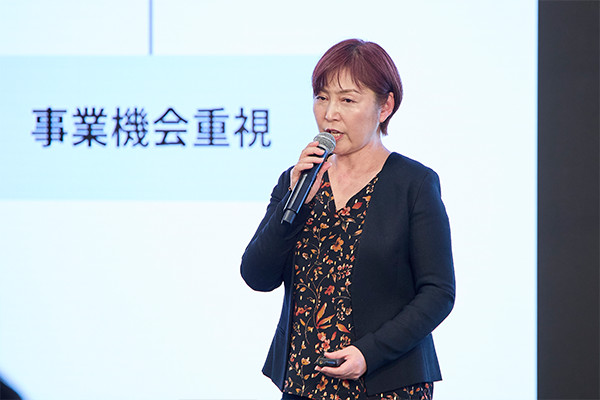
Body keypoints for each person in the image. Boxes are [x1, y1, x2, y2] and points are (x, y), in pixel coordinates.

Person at [240, 39, 455, 400]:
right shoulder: (299, 180)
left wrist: (369, 353)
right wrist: (294, 204)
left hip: (387, 382)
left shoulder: (414, 184)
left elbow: (438, 292)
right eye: (322, 98)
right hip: (304, 383)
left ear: (385, 106)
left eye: (348, 100)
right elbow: (256, 276)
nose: (330, 113)